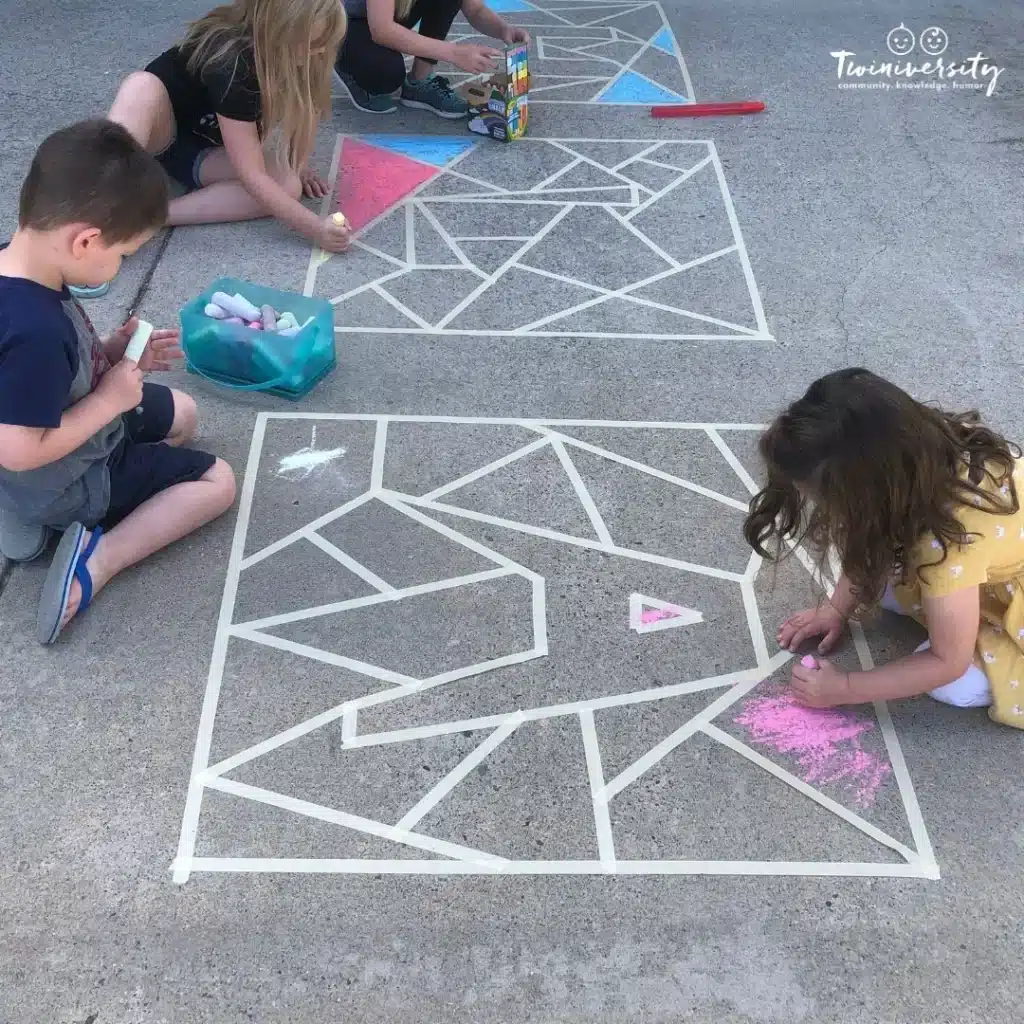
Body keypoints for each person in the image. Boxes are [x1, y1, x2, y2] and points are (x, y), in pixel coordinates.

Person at [0, 120, 236, 644]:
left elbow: (30, 379)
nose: (120, 266)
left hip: (53, 443)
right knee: (216, 482)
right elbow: (17, 449)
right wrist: (110, 400)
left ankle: (29, 524)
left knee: (184, 414)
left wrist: (109, 354)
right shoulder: (35, 331)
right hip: (62, 476)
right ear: (85, 240)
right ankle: (95, 561)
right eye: (122, 255)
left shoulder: (18, 266)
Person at [744, 368, 1024, 730]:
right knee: (887, 585)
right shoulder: (913, 451)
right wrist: (836, 608)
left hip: (1001, 577)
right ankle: (956, 610)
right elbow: (875, 538)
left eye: (824, 499)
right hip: (983, 554)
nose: (818, 507)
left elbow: (948, 661)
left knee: (954, 684)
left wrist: (844, 687)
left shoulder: (948, 544)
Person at [107, 0, 351, 254]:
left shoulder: (287, 54)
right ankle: (95, 201)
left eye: (322, 44)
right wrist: (315, 228)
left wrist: (297, 164)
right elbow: (251, 175)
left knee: (287, 184)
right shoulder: (232, 60)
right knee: (141, 86)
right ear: (278, 30)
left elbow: (297, 117)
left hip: (202, 152)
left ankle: (151, 217)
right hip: (159, 132)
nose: (313, 54)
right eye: (310, 44)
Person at [336, 0, 529, 117]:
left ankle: (419, 82)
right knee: (386, 73)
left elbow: (475, 10)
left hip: (391, 13)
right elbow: (382, 30)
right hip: (349, 24)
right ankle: (342, 60)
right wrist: (454, 53)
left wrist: (504, 29)